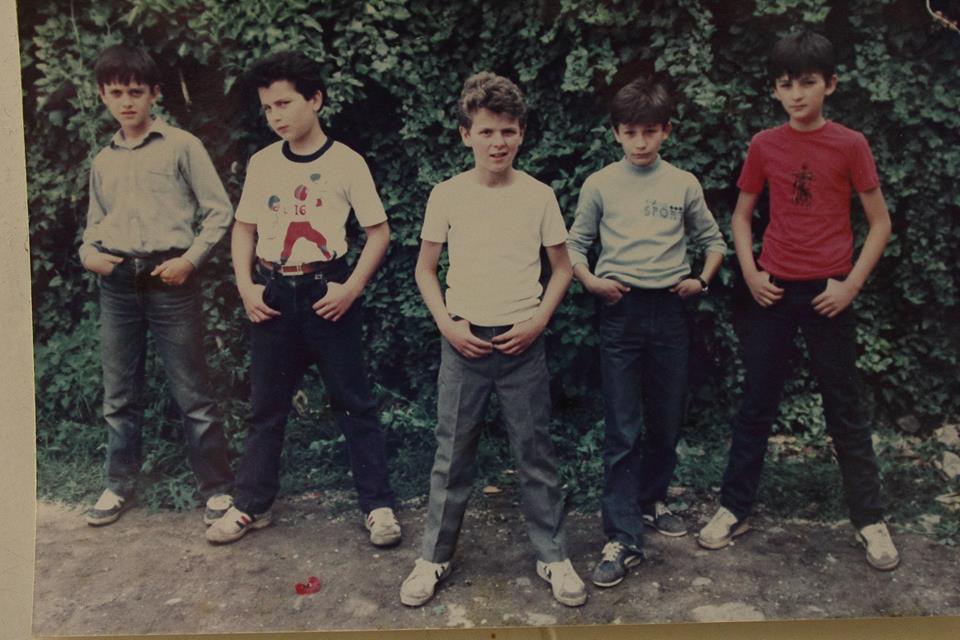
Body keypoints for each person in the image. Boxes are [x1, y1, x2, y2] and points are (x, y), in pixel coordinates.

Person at [697, 31, 899, 571]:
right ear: (775, 90)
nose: (796, 94)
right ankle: (733, 507)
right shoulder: (765, 145)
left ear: (830, 84)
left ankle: (869, 519)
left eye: (807, 83)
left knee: (845, 408)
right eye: (786, 84)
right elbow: (742, 216)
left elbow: (879, 223)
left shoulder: (850, 144)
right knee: (756, 403)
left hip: (830, 293)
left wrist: (849, 285)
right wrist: (751, 272)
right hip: (774, 292)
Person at [399, 72, 587, 608]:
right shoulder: (447, 195)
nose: (497, 142)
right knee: (452, 453)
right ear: (466, 134)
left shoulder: (539, 196)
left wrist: (537, 322)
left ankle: (553, 556)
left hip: (522, 343)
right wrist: (447, 324)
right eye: (485, 131)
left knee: (535, 452)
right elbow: (425, 269)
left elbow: (562, 268)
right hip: (463, 342)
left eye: (507, 131)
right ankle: (433, 557)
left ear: (521, 133)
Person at [205, 51, 400, 548]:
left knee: (353, 402)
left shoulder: (346, 162)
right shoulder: (263, 163)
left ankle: (377, 506)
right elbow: (243, 228)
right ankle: (252, 504)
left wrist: (351, 288)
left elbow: (378, 232)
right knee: (265, 407)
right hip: (273, 294)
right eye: (268, 108)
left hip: (327, 292)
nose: (276, 116)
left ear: (315, 100)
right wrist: (246, 287)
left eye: (285, 103)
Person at [566, 77, 726, 587]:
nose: (640, 142)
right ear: (616, 132)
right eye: (631, 132)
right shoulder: (599, 184)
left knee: (666, 419)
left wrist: (701, 280)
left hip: (671, 311)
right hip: (622, 310)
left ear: (666, 132)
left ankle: (652, 500)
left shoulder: (683, 183)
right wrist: (592, 282)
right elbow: (574, 246)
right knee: (623, 425)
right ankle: (621, 536)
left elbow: (713, 241)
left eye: (650, 131)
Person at [80, 44, 234, 528]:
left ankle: (216, 488)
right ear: (103, 96)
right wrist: (89, 255)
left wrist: (190, 260)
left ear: (154, 94)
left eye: (136, 92)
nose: (127, 102)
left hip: (170, 279)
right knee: (119, 393)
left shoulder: (181, 146)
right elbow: (95, 224)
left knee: (192, 391)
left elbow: (219, 211)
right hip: (117, 284)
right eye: (116, 93)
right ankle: (118, 484)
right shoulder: (103, 160)